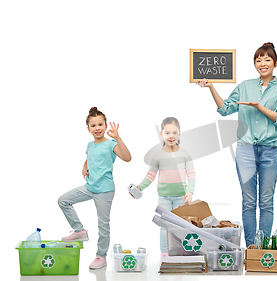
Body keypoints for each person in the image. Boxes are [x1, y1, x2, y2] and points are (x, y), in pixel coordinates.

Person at [197, 42, 277, 247]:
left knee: (266, 201)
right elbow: (225, 109)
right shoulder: (244, 86)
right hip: (246, 149)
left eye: (267, 59)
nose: (262, 63)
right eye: (258, 60)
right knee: (249, 201)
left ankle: (263, 247)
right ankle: (251, 247)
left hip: (270, 150)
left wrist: (259, 107)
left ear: (276, 63)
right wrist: (211, 87)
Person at [58, 107, 132, 269]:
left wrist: (118, 138)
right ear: (88, 129)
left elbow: (127, 158)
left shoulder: (111, 144)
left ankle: (101, 256)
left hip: (105, 190)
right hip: (89, 187)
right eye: (93, 125)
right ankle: (79, 231)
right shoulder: (90, 145)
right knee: (63, 200)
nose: (97, 128)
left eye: (100, 124)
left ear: (105, 126)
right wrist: (84, 167)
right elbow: (88, 157)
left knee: (103, 225)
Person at [131, 117, 195, 255]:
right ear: (161, 134)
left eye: (174, 132)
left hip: (181, 197)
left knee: (180, 226)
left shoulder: (185, 154)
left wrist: (190, 192)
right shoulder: (158, 154)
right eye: (167, 133)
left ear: (179, 133)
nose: (171, 136)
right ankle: (164, 253)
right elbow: (150, 175)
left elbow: (191, 175)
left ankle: (179, 252)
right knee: (164, 227)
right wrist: (139, 188)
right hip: (164, 197)